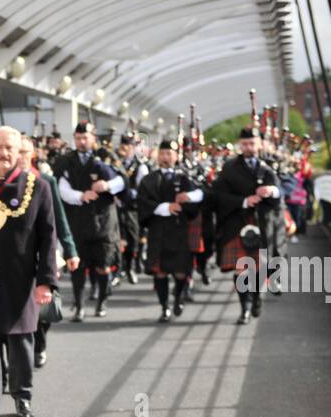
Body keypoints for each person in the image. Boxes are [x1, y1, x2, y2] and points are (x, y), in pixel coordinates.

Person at [0, 126, 59, 417]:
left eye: (10, 148)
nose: (4, 154)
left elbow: (49, 236)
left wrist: (46, 281)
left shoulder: (39, 186)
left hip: (21, 278)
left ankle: (22, 396)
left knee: (21, 342)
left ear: (20, 151)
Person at [213, 126, 283, 325]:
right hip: (237, 223)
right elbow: (219, 196)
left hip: (262, 224)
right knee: (241, 270)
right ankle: (244, 307)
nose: (248, 147)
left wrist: (271, 191)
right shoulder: (229, 168)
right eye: (244, 144)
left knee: (260, 269)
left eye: (252, 143)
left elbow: (280, 195)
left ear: (259, 144)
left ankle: (257, 298)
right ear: (239, 144)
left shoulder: (267, 168)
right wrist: (244, 201)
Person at [20, 134, 79, 369]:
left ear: (32, 155)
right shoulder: (2, 183)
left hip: (46, 252)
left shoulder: (45, 180)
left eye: (26, 152)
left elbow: (59, 219)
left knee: (43, 303)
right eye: (18, 151)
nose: (21, 157)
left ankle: (40, 342)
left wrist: (70, 249)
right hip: (15, 256)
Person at [56, 121, 124, 321]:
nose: (81, 142)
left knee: (103, 267)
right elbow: (62, 189)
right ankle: (78, 306)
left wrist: (107, 185)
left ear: (93, 138)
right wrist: (81, 196)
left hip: (103, 224)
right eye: (78, 138)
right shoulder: (66, 161)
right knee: (78, 268)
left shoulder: (105, 158)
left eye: (85, 138)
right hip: (78, 223)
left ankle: (102, 300)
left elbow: (122, 181)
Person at [137, 139, 203, 322]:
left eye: (169, 154)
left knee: (181, 272)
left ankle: (178, 297)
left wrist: (188, 197)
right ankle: (164, 307)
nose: (165, 157)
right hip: (158, 231)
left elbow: (200, 195)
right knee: (160, 272)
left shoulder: (184, 178)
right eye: (162, 153)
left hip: (179, 231)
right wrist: (166, 207)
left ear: (176, 156)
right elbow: (143, 202)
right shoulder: (149, 180)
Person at [115, 134, 149, 285]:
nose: (124, 149)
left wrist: (129, 194)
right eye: (123, 146)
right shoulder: (115, 163)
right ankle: (117, 270)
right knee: (115, 239)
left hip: (132, 209)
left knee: (132, 238)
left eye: (127, 146)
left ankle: (130, 267)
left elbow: (143, 188)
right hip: (116, 208)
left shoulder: (140, 166)